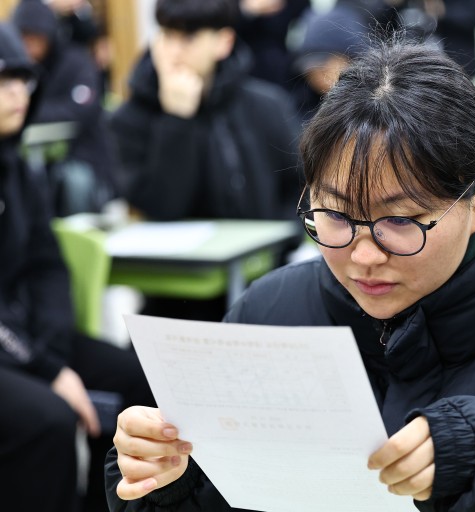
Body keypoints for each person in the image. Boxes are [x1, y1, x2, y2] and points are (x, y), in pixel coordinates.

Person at [104, 39, 475, 511]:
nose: (363, 255)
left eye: (400, 221)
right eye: (333, 215)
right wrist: (163, 479)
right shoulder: (269, 314)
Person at [0, 22, 154, 512]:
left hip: (23, 341)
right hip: (11, 350)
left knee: (135, 381)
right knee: (47, 418)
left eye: (22, 80)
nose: (16, 95)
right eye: (1, 82)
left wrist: (53, 350)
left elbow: (47, 266)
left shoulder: (19, 169)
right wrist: (47, 368)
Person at [109, 0, 303, 321]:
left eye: (188, 38)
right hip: (176, 295)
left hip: (267, 284)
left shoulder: (266, 105)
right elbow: (163, 207)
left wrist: (282, 245)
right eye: (167, 35)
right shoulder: (131, 118)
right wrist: (177, 121)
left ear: (223, 42)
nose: (173, 51)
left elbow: (300, 185)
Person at [12, 0, 117, 216]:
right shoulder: (18, 73)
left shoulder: (76, 62)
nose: (29, 46)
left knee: (74, 180)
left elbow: (81, 110)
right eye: (23, 38)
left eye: (36, 38)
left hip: (85, 159)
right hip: (35, 160)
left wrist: (28, 112)